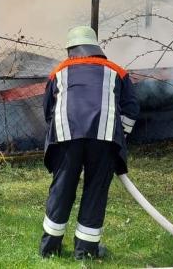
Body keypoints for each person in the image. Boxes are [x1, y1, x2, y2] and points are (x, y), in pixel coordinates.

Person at [39, 26, 141, 260]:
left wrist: (59, 128)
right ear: (96, 48)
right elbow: (132, 109)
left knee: (61, 190)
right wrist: (121, 134)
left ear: (71, 49)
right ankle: (85, 252)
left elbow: (47, 110)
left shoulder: (59, 71)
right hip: (104, 138)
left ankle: (49, 249)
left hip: (67, 137)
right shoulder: (118, 71)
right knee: (95, 191)